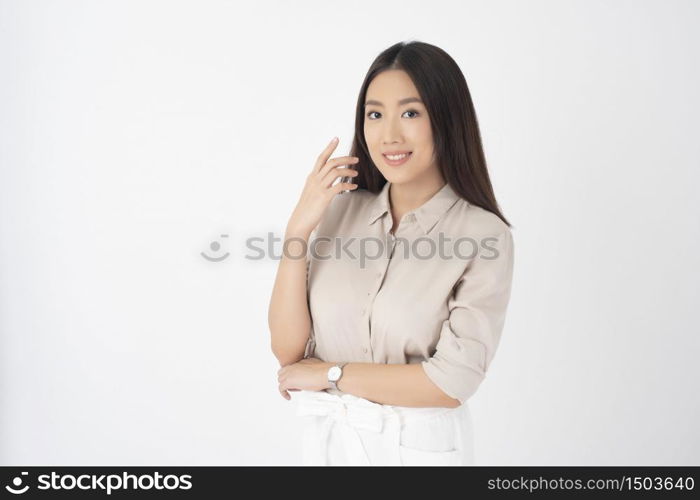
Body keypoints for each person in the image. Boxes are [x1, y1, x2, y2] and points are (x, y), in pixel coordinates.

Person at [268, 40, 515, 466]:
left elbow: (452, 382)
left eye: (411, 113)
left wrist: (332, 375)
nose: (389, 135)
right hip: (329, 449)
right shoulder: (340, 212)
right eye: (375, 114)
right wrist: (298, 229)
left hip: (418, 452)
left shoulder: (482, 235)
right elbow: (289, 353)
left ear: (447, 119)